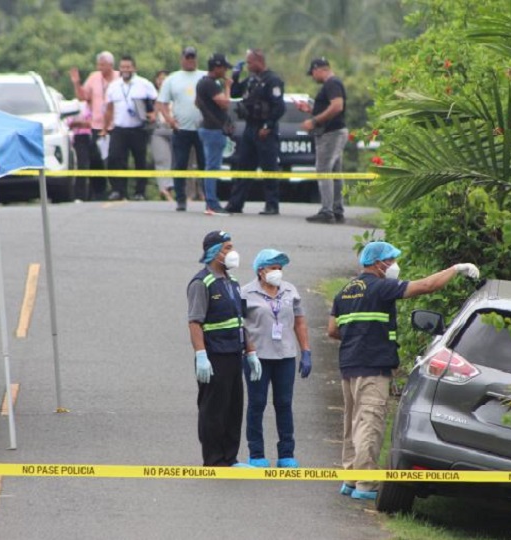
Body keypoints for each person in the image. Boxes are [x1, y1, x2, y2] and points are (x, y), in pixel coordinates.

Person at [328, 241, 480, 500]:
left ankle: (350, 479)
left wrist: (358, 336)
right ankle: (366, 483)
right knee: (370, 423)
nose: (394, 265)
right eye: (391, 260)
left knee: (353, 422)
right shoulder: (381, 287)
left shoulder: (345, 291)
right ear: (379, 264)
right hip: (372, 366)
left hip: (349, 365)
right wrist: (456, 268)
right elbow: (427, 286)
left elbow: (332, 330)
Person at [187, 230, 262, 467]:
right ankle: (214, 459)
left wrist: (250, 352)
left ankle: (230, 458)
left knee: (233, 408)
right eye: (227, 248)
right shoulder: (202, 283)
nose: (232, 252)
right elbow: (195, 321)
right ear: (213, 252)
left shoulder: (232, 282)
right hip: (214, 355)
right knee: (213, 410)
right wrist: (201, 355)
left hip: (234, 353)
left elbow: (242, 321)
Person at [241, 249, 311, 468]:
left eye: (280, 268)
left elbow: (299, 322)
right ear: (260, 270)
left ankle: (286, 453)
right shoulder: (245, 293)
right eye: (273, 268)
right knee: (257, 403)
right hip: (257, 356)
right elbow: (240, 326)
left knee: (284, 404)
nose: (277, 272)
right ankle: (256, 453)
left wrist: (305, 351)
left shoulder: (290, 291)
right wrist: (247, 351)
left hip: (285, 356)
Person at [224, 49, 285, 215]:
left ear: (259, 61)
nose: (248, 66)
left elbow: (279, 107)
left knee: (269, 168)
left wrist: (268, 126)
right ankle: (235, 204)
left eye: (249, 62)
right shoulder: (251, 79)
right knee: (243, 166)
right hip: (250, 128)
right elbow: (236, 93)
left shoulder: (273, 80)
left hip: (265, 129)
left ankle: (272, 205)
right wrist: (235, 76)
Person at [156, 46, 207, 211]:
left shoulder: (204, 76)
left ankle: (209, 197)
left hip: (202, 129)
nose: (190, 60)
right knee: (180, 164)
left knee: (204, 164)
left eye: (193, 57)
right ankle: (181, 199)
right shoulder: (172, 79)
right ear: (182, 58)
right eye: (188, 57)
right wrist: (169, 119)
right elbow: (162, 102)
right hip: (181, 129)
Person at [299, 58, 348, 224]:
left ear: (318, 69)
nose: (313, 77)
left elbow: (337, 106)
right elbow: (331, 106)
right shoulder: (333, 84)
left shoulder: (331, 83)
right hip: (334, 132)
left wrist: (314, 121)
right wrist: (311, 110)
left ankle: (327, 211)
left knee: (323, 169)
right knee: (334, 172)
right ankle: (337, 209)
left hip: (331, 133)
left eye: (313, 73)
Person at [102, 55, 158, 201]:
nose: (125, 70)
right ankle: (118, 190)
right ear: (119, 69)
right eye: (123, 67)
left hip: (138, 128)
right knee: (115, 158)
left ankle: (140, 192)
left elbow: (157, 101)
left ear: (134, 68)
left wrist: (153, 114)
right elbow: (109, 108)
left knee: (140, 159)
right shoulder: (114, 85)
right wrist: (105, 127)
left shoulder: (143, 84)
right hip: (119, 128)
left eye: (128, 67)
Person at [70, 51, 120, 200]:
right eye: (99, 65)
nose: (100, 67)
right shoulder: (94, 77)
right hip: (97, 126)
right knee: (95, 159)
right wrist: (76, 83)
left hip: (116, 126)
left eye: (103, 65)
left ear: (111, 65)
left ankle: (118, 189)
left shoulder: (119, 78)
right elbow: (82, 97)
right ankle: (99, 191)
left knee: (115, 158)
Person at [195, 53, 233, 215]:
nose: (225, 72)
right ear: (217, 67)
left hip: (207, 128)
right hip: (213, 130)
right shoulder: (211, 84)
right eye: (224, 68)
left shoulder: (201, 82)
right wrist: (228, 86)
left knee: (211, 165)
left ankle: (210, 200)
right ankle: (212, 202)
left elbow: (197, 102)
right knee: (213, 167)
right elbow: (225, 104)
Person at [151, 70, 174, 201]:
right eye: (159, 79)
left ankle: (187, 191)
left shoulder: (175, 95)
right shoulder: (153, 96)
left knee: (179, 161)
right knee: (162, 160)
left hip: (175, 130)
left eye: (164, 79)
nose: (162, 81)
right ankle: (164, 189)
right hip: (160, 129)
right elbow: (153, 115)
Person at [66, 99, 93, 201]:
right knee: (82, 166)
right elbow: (69, 123)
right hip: (80, 137)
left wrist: (82, 123)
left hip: (95, 136)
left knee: (96, 166)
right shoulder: (74, 105)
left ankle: (94, 195)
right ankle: (79, 195)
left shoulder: (96, 103)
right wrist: (83, 123)